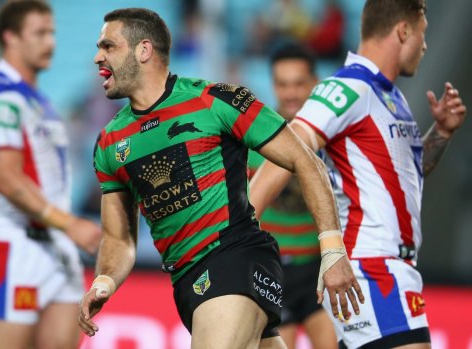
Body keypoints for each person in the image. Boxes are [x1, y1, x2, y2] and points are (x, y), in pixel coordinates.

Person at [79, 8, 364, 349]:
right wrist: (105, 280)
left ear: (143, 50)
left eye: (108, 46)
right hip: (187, 284)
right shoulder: (109, 142)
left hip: (235, 258)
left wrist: (332, 251)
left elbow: (306, 161)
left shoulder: (216, 100)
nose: (98, 57)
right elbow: (118, 238)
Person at [249, 0, 467, 348]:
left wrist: (441, 133)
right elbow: (289, 148)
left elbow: (406, 176)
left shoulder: (390, 96)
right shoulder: (349, 88)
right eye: (422, 35)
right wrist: (239, 234)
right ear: (403, 31)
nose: (425, 46)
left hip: (392, 268)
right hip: (371, 270)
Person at [0, 1, 101, 349]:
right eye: (40, 33)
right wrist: (69, 223)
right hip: (12, 247)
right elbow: (7, 178)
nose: (51, 42)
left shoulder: (38, 100)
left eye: (53, 33)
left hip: (55, 246)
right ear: (10, 37)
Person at [247, 43, 337, 349]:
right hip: (273, 270)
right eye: (282, 84)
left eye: (299, 83)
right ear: (272, 85)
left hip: (320, 269)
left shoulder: (333, 137)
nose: (291, 93)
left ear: (316, 82)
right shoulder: (253, 137)